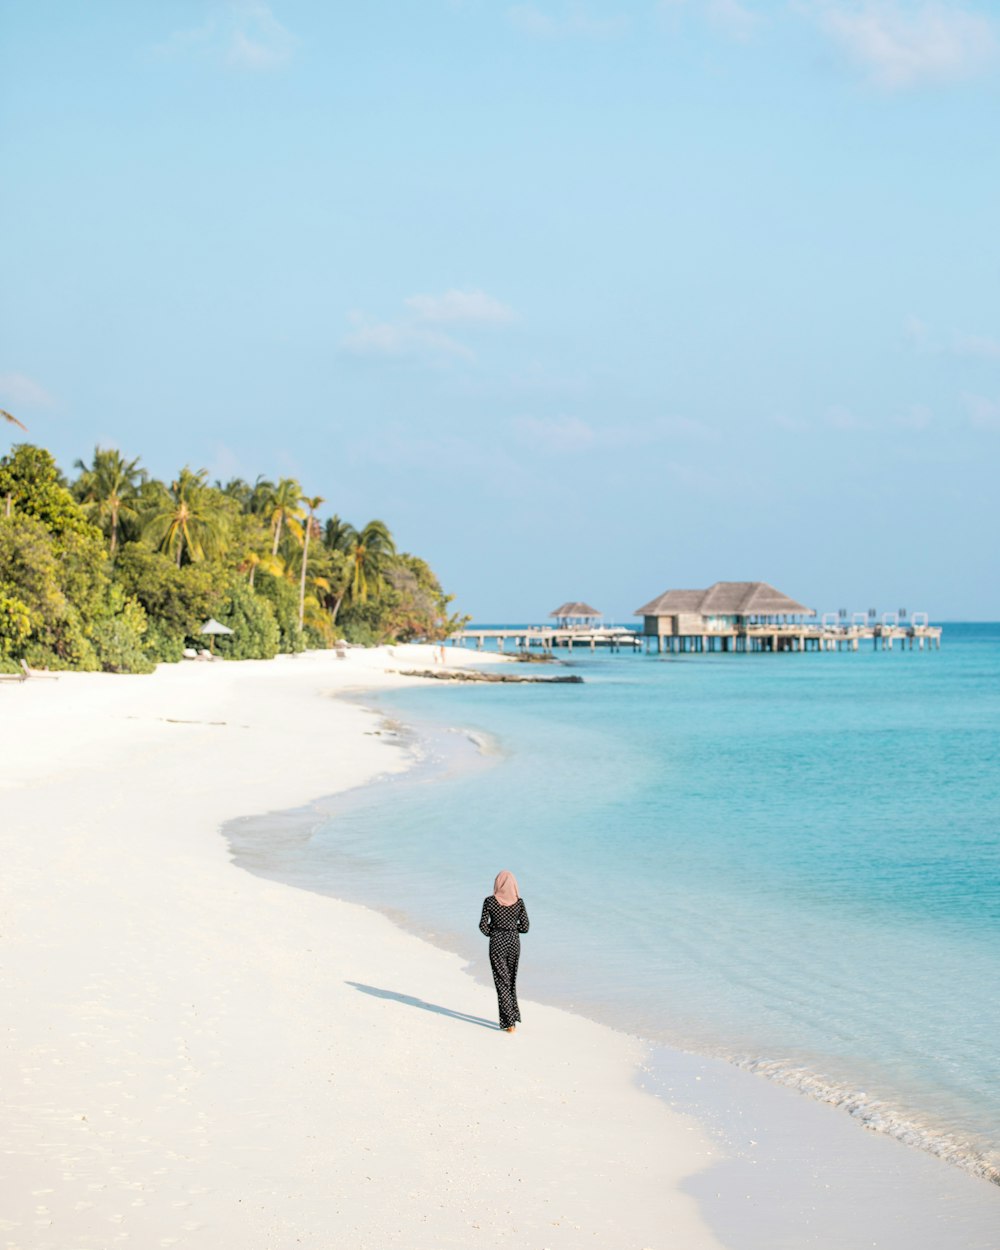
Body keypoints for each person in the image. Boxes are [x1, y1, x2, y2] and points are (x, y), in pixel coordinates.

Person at [479, 871, 530, 1033]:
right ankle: (512, 1017)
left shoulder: (490, 902)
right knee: (511, 979)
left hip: (497, 942)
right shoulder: (519, 903)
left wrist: (494, 932)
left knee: (502, 981)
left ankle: (509, 1023)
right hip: (513, 942)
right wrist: (511, 929)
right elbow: (525, 927)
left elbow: (482, 925)